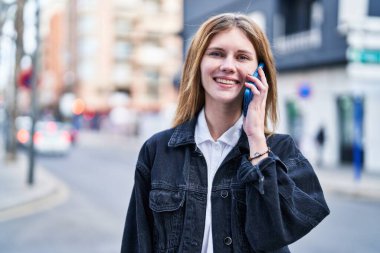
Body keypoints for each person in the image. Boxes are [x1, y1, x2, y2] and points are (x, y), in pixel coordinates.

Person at [121, 13, 329, 253]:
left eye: (242, 57)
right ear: (197, 63)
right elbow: (136, 244)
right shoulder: (158, 150)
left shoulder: (280, 150)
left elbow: (280, 231)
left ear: (259, 72)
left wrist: (257, 142)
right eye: (216, 53)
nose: (228, 66)